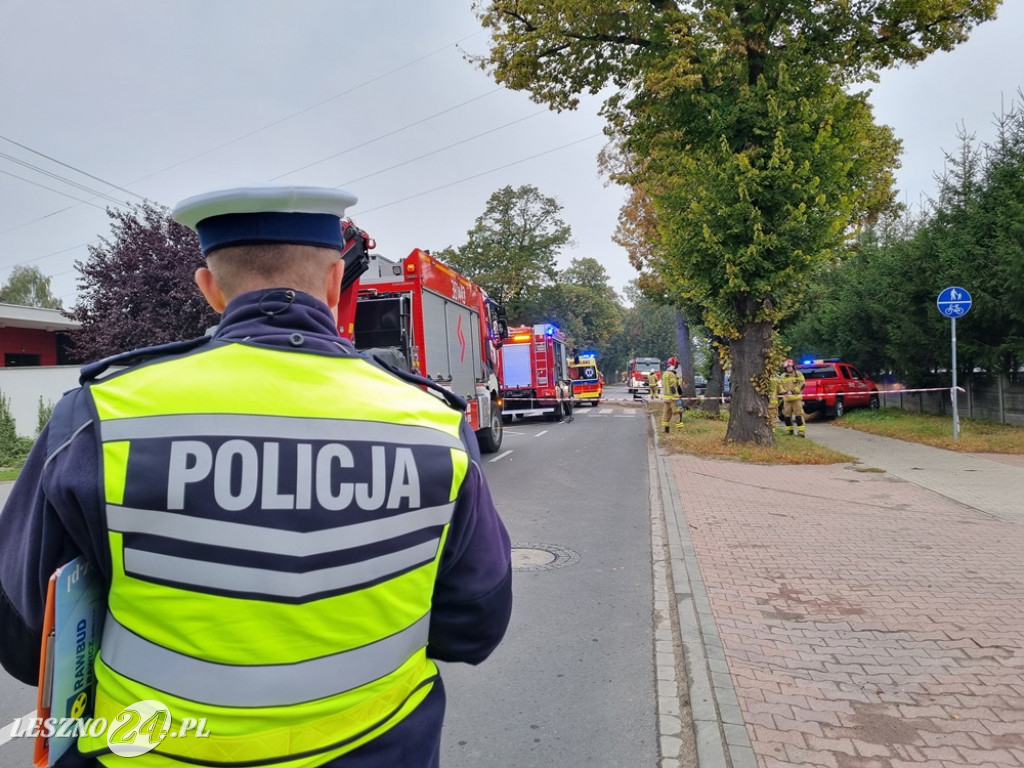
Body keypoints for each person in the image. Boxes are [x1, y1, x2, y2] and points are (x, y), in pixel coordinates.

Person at [0, 186, 513, 768]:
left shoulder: (100, 416)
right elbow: (476, 624)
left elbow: (25, 636)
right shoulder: (435, 423)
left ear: (210, 289)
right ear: (333, 281)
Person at [777, 358, 807, 437]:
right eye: (787, 367)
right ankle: (789, 431)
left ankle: (801, 432)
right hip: (787, 400)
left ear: (793, 367)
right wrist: (784, 392)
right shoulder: (783, 376)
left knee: (798, 416)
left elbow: (802, 384)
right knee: (787, 416)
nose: (789, 368)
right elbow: (780, 385)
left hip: (796, 399)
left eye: (790, 367)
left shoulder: (798, 374)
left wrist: (793, 391)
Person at [660, 357, 684, 433]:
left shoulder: (665, 374)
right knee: (676, 412)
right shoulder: (672, 375)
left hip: (666, 398)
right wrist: (677, 395)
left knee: (666, 413)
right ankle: (680, 429)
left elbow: (663, 385)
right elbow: (673, 386)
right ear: (674, 364)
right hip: (673, 398)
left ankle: (665, 429)